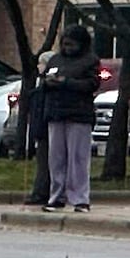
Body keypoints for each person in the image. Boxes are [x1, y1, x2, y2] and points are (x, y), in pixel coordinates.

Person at [42, 25, 100, 213]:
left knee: (78, 158)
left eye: (71, 44)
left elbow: (92, 84)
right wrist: (48, 82)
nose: (67, 47)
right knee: (56, 158)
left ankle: (80, 198)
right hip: (56, 112)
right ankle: (56, 196)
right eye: (65, 44)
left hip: (79, 114)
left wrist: (65, 82)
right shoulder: (55, 60)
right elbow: (44, 81)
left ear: (81, 44)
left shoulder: (90, 61)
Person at [24, 50, 58, 206]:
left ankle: (42, 192)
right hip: (41, 128)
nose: (38, 66)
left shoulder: (48, 86)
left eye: (41, 63)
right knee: (43, 161)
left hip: (45, 128)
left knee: (45, 163)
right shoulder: (41, 84)